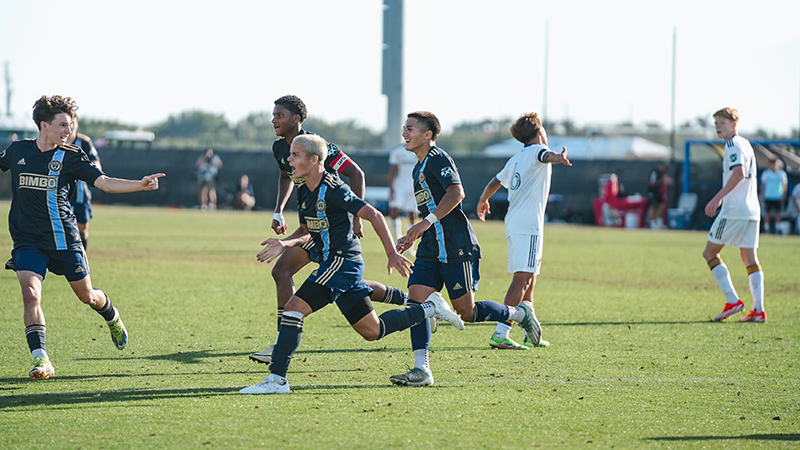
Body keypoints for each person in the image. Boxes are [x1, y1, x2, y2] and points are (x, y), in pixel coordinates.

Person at [239, 135, 463, 394]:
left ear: (314, 160)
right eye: (289, 155)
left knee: (293, 309)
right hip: (334, 264)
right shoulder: (303, 189)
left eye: (295, 155)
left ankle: (277, 380)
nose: (289, 160)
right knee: (372, 331)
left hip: (341, 263)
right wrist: (285, 244)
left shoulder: (334, 189)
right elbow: (306, 229)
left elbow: (374, 214)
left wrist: (391, 253)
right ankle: (427, 307)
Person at [0, 95, 165, 380]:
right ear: (44, 126)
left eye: (71, 124)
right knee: (30, 294)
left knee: (87, 296)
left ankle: (111, 315)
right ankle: (42, 360)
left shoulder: (73, 155)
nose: (69, 130)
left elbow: (104, 183)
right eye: (63, 124)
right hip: (27, 240)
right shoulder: (18, 151)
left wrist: (140, 184)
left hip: (64, 240)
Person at [249, 95, 409, 365]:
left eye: (280, 115)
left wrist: (356, 218)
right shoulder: (281, 149)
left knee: (298, 278)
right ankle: (409, 300)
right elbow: (284, 176)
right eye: (274, 115)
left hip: (329, 227)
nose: (274, 120)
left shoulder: (317, 147)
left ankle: (281, 343)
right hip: (309, 225)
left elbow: (356, 173)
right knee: (286, 272)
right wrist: (279, 209)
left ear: (297, 119)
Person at [390, 111, 541, 386]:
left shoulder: (439, 159)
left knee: (466, 313)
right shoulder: (417, 167)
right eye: (404, 128)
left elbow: (457, 194)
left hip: (457, 246)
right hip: (431, 248)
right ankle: (421, 369)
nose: (405, 133)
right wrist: (414, 234)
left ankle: (519, 313)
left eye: (410, 129)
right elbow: (431, 211)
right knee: (417, 301)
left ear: (428, 135)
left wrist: (424, 223)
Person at [476, 112, 571, 350]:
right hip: (528, 226)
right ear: (540, 132)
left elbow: (495, 181)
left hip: (515, 224)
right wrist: (559, 157)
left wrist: (483, 200)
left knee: (530, 280)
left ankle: (531, 333)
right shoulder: (537, 152)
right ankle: (501, 332)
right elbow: (547, 155)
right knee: (522, 280)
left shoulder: (517, 158)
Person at [703, 107, 765, 323]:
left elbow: (738, 173)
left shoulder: (732, 145)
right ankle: (758, 310)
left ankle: (733, 301)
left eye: (722, 122)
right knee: (749, 258)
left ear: (734, 123)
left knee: (710, 253)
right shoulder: (746, 144)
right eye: (716, 123)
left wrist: (717, 198)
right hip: (752, 210)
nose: (718, 127)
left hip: (734, 210)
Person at [67, 116, 101, 249]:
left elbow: (95, 162)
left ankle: (82, 255)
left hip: (81, 195)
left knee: (82, 228)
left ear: (77, 124)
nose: (69, 127)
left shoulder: (84, 142)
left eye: (72, 123)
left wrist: (95, 173)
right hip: (61, 194)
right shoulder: (55, 142)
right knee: (65, 227)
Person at [388, 143, 419, 245]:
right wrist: (391, 187)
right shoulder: (397, 151)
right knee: (394, 211)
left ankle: (410, 244)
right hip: (399, 186)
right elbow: (393, 169)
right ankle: (397, 239)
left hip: (414, 186)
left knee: (412, 214)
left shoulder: (419, 149)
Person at [759, 156, 788, 234]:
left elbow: (784, 185)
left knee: (778, 212)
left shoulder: (781, 173)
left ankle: (778, 227)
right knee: (767, 212)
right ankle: (766, 227)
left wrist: (783, 195)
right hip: (768, 196)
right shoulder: (766, 173)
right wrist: (762, 195)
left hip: (778, 196)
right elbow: (763, 185)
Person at [646, 164, 672, 229]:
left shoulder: (661, 174)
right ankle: (652, 223)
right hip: (652, 192)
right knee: (652, 206)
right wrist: (662, 181)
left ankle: (659, 222)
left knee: (661, 205)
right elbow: (652, 182)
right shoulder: (655, 172)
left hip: (658, 192)